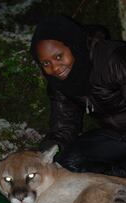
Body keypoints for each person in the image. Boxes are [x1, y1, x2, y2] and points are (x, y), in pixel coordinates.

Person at [30, 15, 126, 177]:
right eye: (46, 63)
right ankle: (113, 177)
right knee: (66, 161)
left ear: (73, 46)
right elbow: (64, 127)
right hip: (116, 136)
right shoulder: (60, 82)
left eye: (58, 56)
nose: (55, 68)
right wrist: (41, 157)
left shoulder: (114, 59)